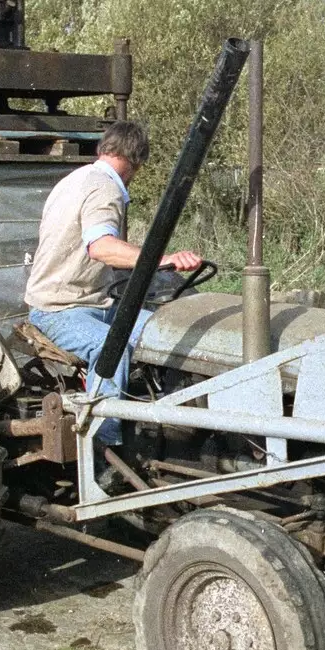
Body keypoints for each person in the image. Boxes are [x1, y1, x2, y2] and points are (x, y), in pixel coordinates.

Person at [25, 120, 201, 446]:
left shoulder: (74, 180)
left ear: (103, 148)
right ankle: (103, 443)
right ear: (137, 163)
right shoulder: (104, 190)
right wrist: (161, 259)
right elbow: (101, 246)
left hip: (93, 302)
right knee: (111, 347)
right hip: (59, 309)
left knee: (163, 331)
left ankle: (162, 416)